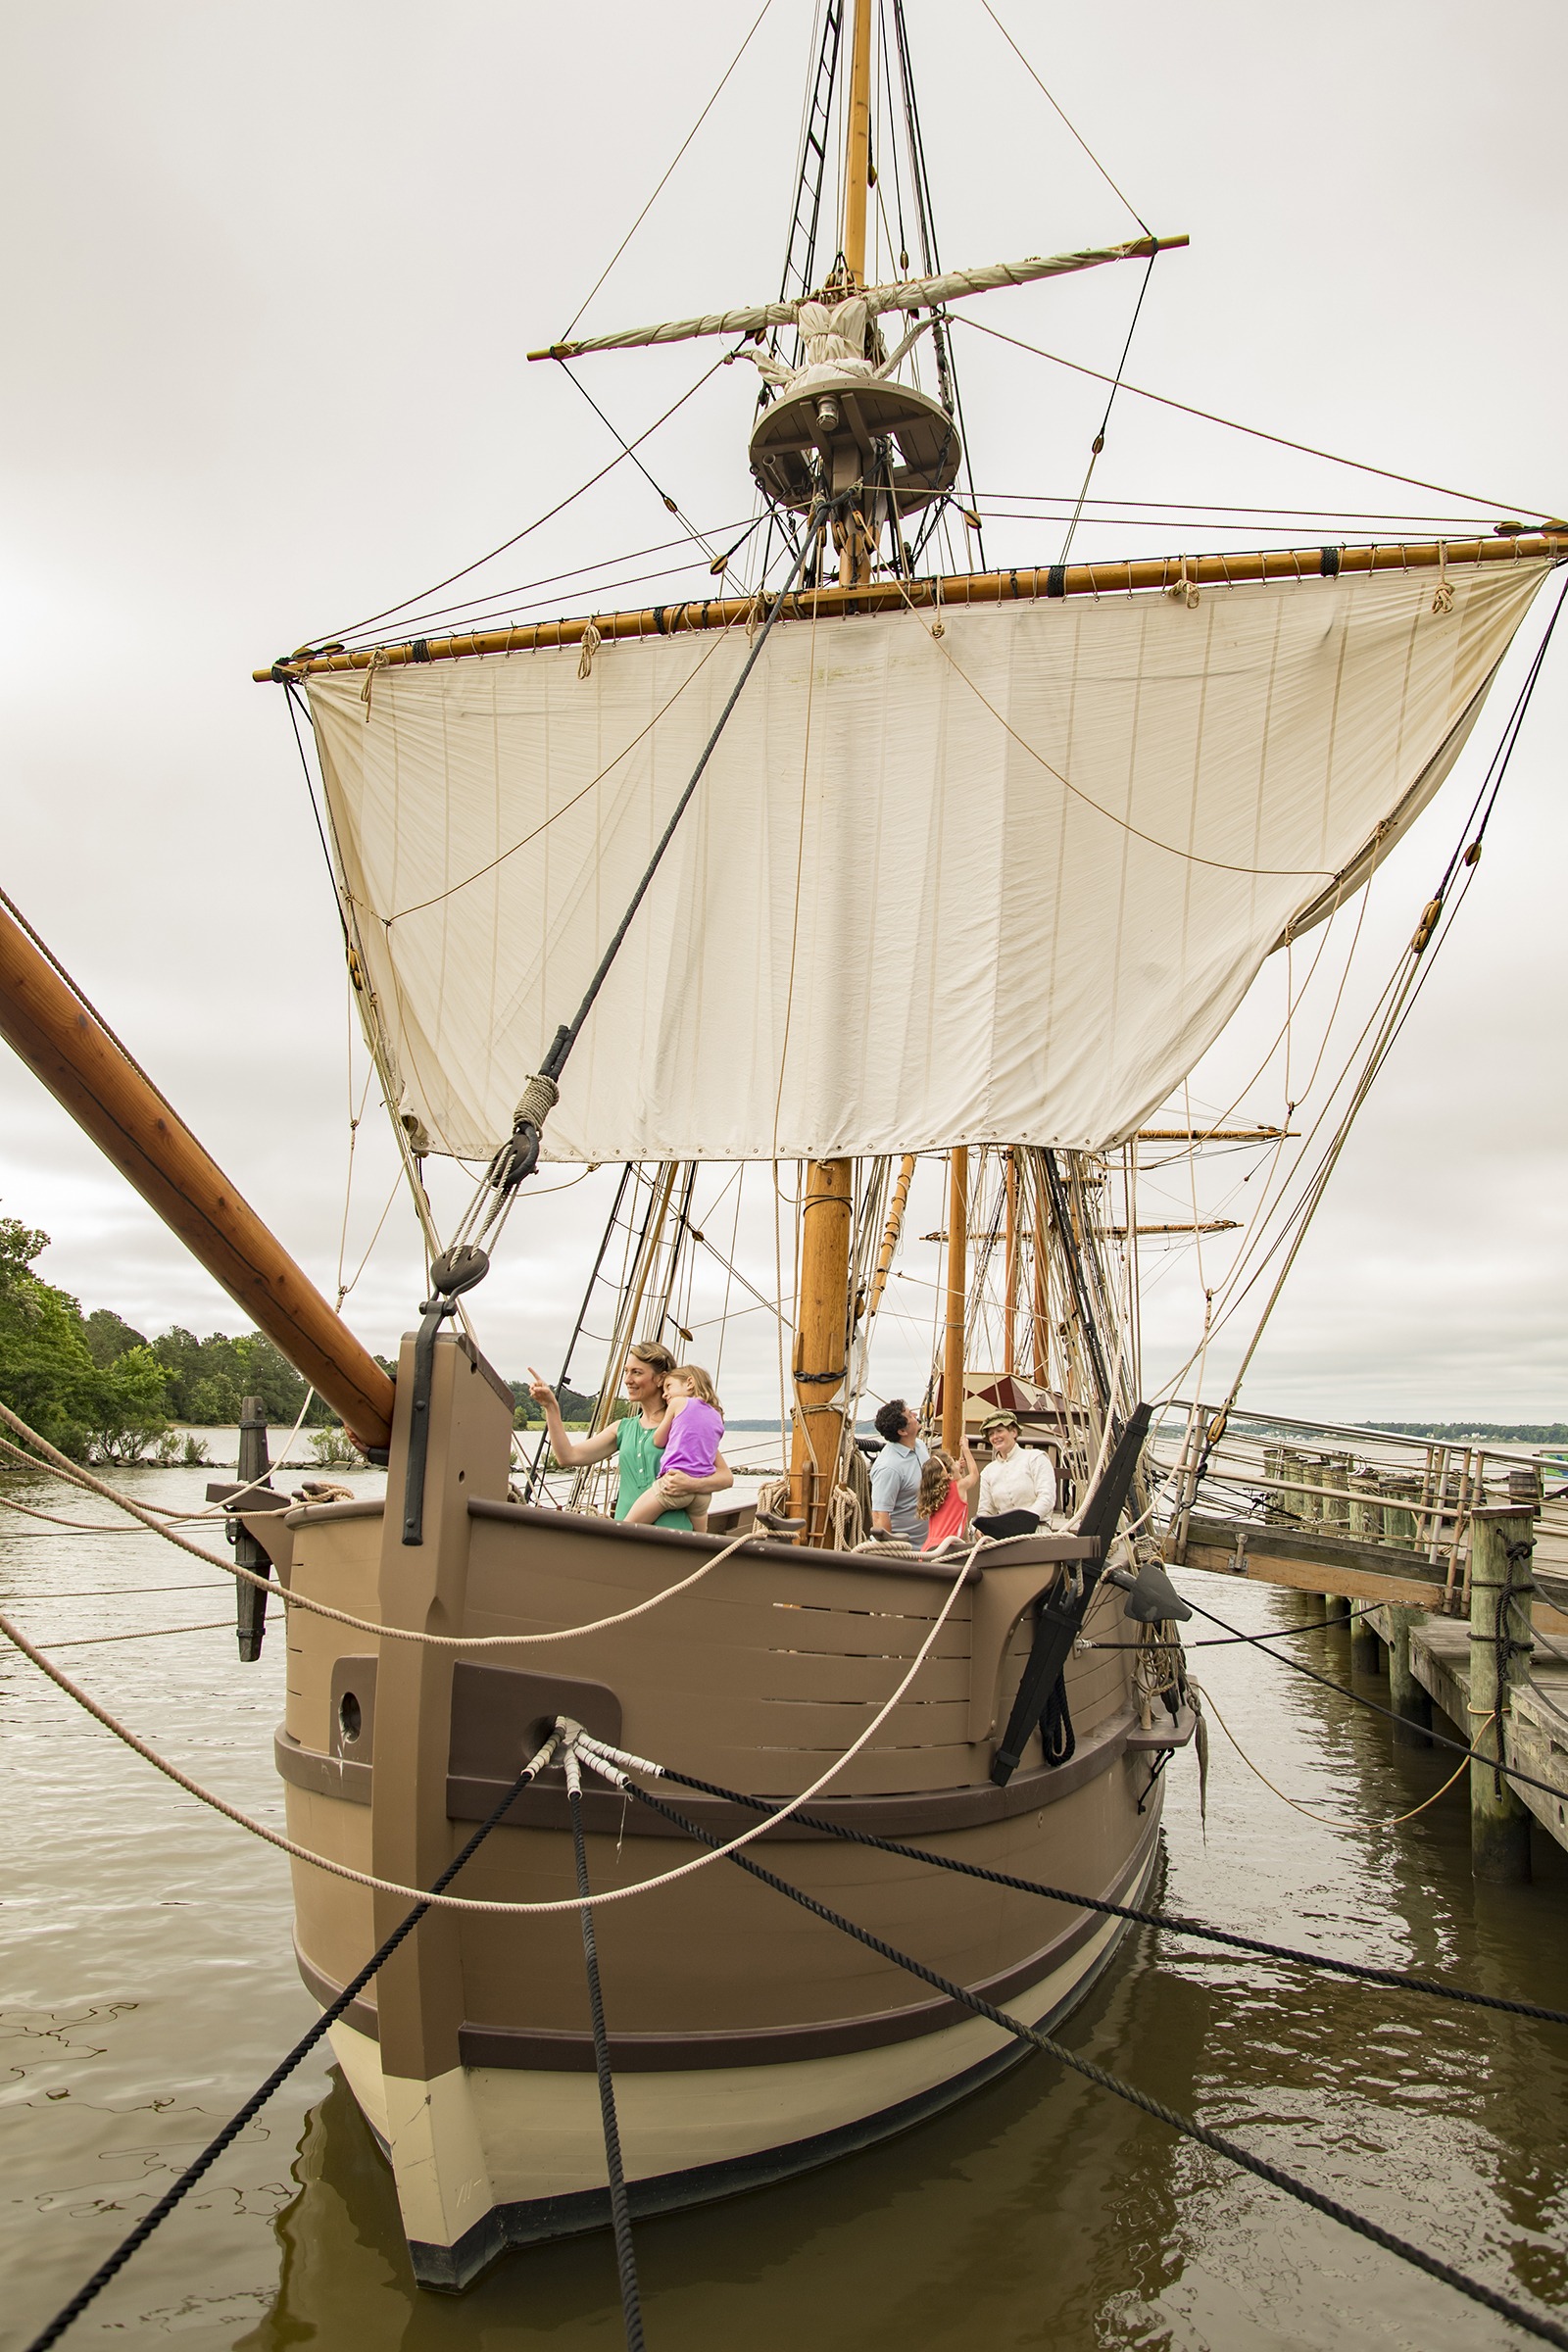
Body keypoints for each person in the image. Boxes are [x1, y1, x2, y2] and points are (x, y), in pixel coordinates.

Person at [528, 1340, 733, 1533]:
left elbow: (725, 1477)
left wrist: (692, 1484)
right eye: (626, 1372)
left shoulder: (682, 1425)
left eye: (636, 1372)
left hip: (673, 1539)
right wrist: (551, 1408)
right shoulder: (623, 1428)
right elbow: (568, 1457)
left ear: (660, 1378)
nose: (628, 1380)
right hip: (627, 1536)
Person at [621, 1365, 724, 1531]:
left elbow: (658, 1440)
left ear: (689, 1383)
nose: (664, 1394)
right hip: (702, 1494)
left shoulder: (678, 1403)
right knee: (700, 1540)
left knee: (626, 1527)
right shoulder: (716, 1415)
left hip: (673, 1484)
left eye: (669, 1386)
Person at [974, 1408, 1056, 1540]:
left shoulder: (1035, 1458)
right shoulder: (988, 1472)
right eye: (991, 1434)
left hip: (1037, 1533)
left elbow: (1047, 1497)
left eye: (1000, 1431)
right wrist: (978, 1527)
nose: (995, 1437)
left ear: (1013, 1432)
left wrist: (1025, 1521)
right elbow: (986, 1510)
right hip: (1004, 1540)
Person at [869, 1397, 929, 1547]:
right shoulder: (889, 1468)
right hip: (906, 1552)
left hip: (929, 1546)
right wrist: (892, 1554)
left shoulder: (920, 1446)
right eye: (910, 1415)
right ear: (902, 1431)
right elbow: (879, 1516)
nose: (915, 1415)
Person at [919, 1440, 979, 1552]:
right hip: (947, 1547)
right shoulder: (959, 1486)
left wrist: (959, 1471)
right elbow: (974, 1475)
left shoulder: (934, 1493)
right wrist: (966, 1449)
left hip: (929, 1547)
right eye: (954, 1462)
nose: (957, 1463)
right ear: (950, 1475)